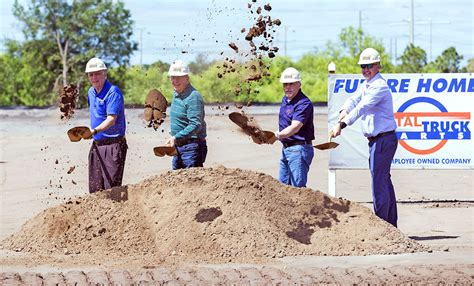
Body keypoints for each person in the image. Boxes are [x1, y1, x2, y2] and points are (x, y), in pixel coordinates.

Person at [330, 47, 398, 227]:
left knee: (379, 184)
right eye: (363, 66)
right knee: (383, 180)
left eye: (369, 65)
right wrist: (344, 111)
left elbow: (362, 107)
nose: (366, 69)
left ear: (378, 66)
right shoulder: (367, 84)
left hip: (383, 140)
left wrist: (342, 124)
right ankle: (391, 225)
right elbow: (353, 100)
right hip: (378, 141)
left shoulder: (379, 86)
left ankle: (383, 225)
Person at [85, 57, 127, 193]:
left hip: (113, 145)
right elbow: (95, 115)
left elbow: (111, 119)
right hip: (97, 145)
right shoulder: (91, 92)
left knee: (111, 189)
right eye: (91, 74)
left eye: (97, 73)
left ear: (105, 73)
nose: (94, 77)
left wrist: (94, 131)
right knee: (95, 188)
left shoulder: (113, 92)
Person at [275, 67, 314, 187]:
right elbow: (286, 124)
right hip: (286, 148)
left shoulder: (303, 103)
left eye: (291, 84)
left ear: (299, 84)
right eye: (285, 84)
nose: (287, 87)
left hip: (299, 149)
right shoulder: (286, 100)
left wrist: (279, 135)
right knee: (281, 188)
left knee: (297, 190)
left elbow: (296, 126)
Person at [165, 60, 207, 170]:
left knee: (192, 181)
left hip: (192, 147)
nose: (175, 81)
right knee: (177, 181)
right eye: (173, 77)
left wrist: (176, 137)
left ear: (187, 78)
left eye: (178, 77)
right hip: (179, 145)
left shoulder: (193, 97)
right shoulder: (176, 93)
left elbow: (196, 125)